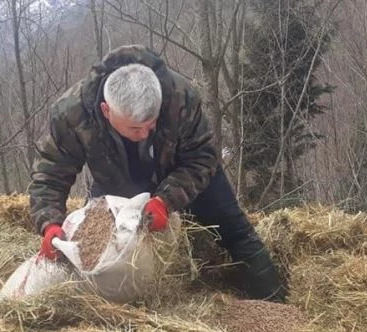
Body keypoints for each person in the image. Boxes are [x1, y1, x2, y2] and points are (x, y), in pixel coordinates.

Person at [28, 44, 286, 301]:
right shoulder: (71, 113)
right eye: (134, 128)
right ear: (107, 111)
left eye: (150, 125)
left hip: (183, 169)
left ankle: (276, 307)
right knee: (92, 251)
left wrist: (165, 200)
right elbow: (50, 173)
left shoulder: (180, 96)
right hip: (117, 181)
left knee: (236, 232)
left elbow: (202, 157)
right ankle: (110, 316)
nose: (144, 134)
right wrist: (50, 223)